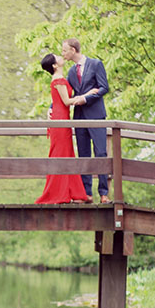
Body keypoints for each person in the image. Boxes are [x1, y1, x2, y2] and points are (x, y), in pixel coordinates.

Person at [34, 52, 95, 205]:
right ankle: (60, 193)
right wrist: (88, 94)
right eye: (58, 57)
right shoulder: (58, 80)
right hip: (60, 120)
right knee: (61, 154)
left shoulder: (60, 79)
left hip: (62, 118)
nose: (61, 58)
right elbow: (67, 101)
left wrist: (51, 108)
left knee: (67, 154)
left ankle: (73, 193)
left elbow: (59, 101)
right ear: (55, 65)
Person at [62, 38, 110, 203]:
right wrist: (51, 107)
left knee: (101, 153)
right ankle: (86, 194)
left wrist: (86, 99)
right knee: (83, 155)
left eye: (64, 50)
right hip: (80, 117)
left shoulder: (96, 64)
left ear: (73, 50)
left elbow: (104, 88)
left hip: (96, 116)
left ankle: (104, 193)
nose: (63, 54)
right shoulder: (70, 72)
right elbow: (65, 92)